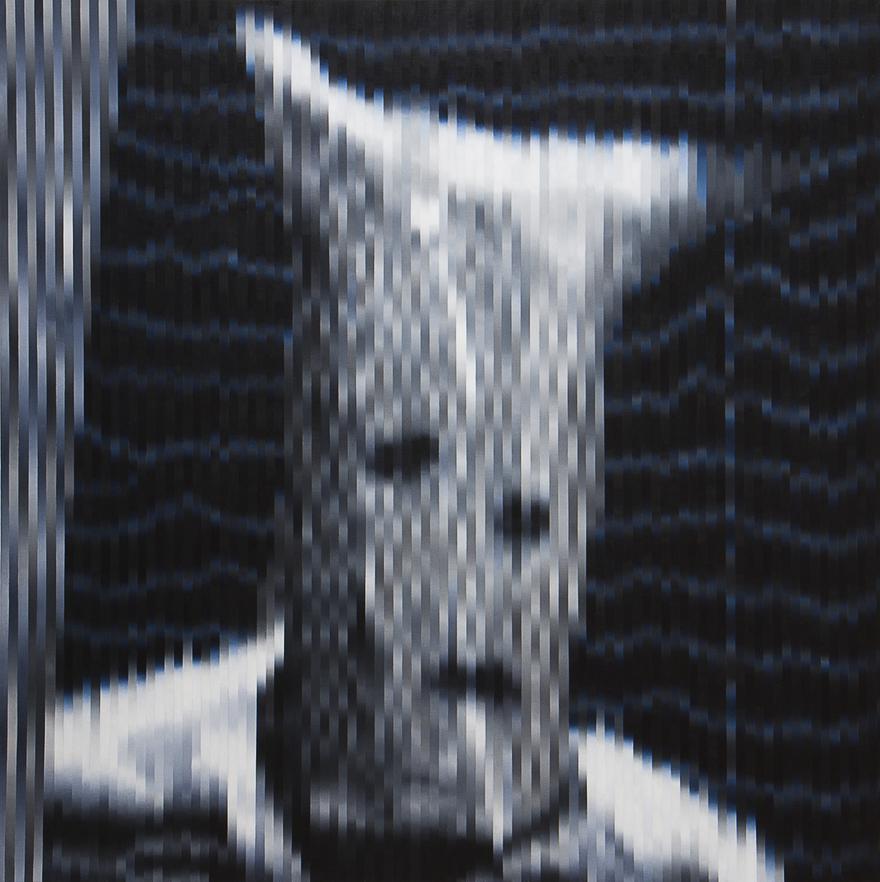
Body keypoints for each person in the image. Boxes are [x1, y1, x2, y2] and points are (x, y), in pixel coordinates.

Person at [47, 9, 804, 882]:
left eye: (524, 520)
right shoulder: (86, 812)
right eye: (405, 473)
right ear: (310, 492)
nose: (466, 584)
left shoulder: (681, 868)